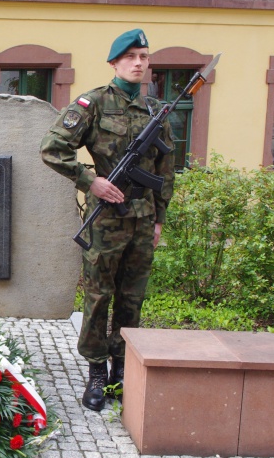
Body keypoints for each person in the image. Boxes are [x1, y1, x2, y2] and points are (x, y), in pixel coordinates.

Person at [40, 28, 174, 412]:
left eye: (143, 56)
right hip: (107, 221)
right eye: (130, 56)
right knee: (99, 297)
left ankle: (122, 368)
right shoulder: (93, 103)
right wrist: (90, 181)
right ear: (115, 63)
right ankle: (97, 371)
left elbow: (166, 169)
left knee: (133, 298)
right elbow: (52, 148)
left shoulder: (156, 110)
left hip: (143, 220)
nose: (138, 63)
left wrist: (160, 218)